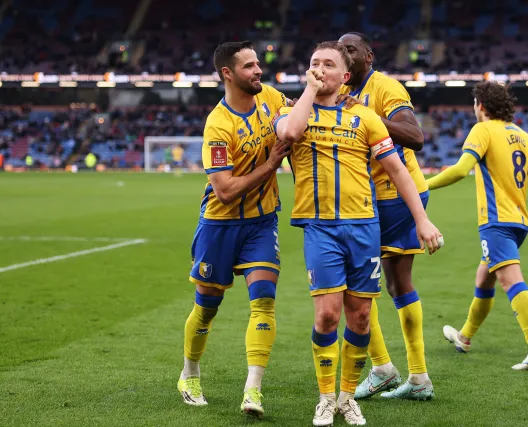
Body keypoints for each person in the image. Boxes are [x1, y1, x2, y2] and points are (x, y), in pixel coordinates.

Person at [274, 41, 442, 426]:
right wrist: (310, 90)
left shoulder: (364, 117)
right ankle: (325, 397)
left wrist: (422, 220)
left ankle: (347, 397)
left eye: (328, 65)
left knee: (361, 316)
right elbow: (292, 132)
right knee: (327, 317)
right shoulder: (292, 111)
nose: (320, 69)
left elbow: (398, 169)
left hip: (365, 225)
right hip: (320, 227)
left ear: (345, 76)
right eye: (314, 63)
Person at [179, 41, 291, 418]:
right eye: (249, 66)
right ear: (228, 73)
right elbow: (225, 191)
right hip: (220, 225)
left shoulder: (270, 97)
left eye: (258, 63)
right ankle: (189, 374)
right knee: (207, 307)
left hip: (262, 221)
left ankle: (252, 390)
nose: (258, 70)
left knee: (264, 300)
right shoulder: (218, 125)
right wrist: (271, 164)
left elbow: (298, 114)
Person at [427, 81, 528, 370]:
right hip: (520, 223)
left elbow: (461, 169)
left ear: (481, 105)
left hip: (496, 222)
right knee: (484, 278)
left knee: (510, 280)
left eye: (475, 103)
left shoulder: (483, 130)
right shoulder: (524, 136)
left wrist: (422, 185)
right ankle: (464, 337)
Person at [338, 31, 434, 401]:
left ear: (369, 56)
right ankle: (417, 377)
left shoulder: (385, 88)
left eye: (351, 49)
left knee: (356, 284)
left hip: (395, 197)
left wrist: (366, 116)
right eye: (340, 49)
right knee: (395, 284)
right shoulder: (343, 92)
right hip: (379, 196)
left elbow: (414, 135)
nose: (345, 53)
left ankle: (383, 368)